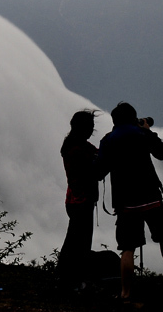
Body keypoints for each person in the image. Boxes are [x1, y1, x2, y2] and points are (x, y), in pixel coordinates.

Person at [95, 102, 163, 301]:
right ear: (134, 118)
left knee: (127, 248)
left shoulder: (109, 140)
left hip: (126, 203)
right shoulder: (142, 134)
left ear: (114, 121)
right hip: (151, 197)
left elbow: (98, 172)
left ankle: (125, 293)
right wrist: (148, 131)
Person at [58, 109, 99, 287]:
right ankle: (72, 278)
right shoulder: (80, 150)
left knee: (74, 239)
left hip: (73, 200)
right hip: (82, 201)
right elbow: (95, 169)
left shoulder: (72, 146)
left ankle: (66, 276)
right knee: (80, 241)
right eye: (90, 127)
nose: (92, 130)